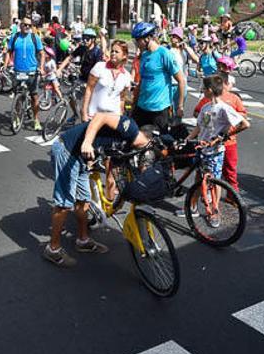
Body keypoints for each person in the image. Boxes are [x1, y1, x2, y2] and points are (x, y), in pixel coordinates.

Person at [43, 113, 149, 267]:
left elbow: (115, 172)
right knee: (64, 203)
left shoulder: (129, 149)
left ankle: (83, 240)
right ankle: (52, 249)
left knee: (84, 201)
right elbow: (101, 117)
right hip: (67, 150)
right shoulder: (129, 127)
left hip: (83, 159)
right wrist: (87, 142)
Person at [185, 75, 249, 226]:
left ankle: (214, 211)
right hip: (202, 149)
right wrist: (187, 139)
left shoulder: (223, 108)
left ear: (209, 90)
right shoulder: (206, 107)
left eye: (203, 88)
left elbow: (244, 124)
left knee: (214, 182)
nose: (201, 90)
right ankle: (193, 207)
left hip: (215, 152)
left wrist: (224, 136)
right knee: (198, 178)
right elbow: (199, 127)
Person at [192, 73, 248, 194]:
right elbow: (198, 119)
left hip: (223, 145)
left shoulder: (231, 101)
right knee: (200, 175)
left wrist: (225, 133)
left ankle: (229, 198)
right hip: (204, 146)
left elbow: (244, 120)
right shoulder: (205, 104)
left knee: (227, 172)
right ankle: (199, 201)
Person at [130, 22, 186, 130]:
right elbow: (142, 81)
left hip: (159, 108)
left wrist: (180, 106)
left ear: (147, 38)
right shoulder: (144, 55)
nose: (137, 43)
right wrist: (134, 102)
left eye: (138, 40)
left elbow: (181, 80)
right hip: (142, 106)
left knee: (158, 142)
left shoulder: (164, 54)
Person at [4, 18, 45, 131]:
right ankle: (17, 117)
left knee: (34, 96)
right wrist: (5, 64)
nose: (27, 27)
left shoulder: (34, 37)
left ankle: (36, 120)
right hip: (18, 71)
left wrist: (41, 68)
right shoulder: (15, 37)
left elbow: (42, 53)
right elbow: (9, 51)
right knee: (18, 95)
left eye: (29, 25)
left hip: (31, 71)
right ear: (20, 25)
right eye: (25, 25)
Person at [83, 40, 131, 120]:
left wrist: (121, 117)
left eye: (116, 52)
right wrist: (84, 112)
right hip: (93, 116)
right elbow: (89, 89)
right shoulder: (99, 67)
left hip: (113, 119)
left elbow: (122, 99)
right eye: (112, 51)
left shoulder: (126, 76)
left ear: (124, 55)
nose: (113, 54)